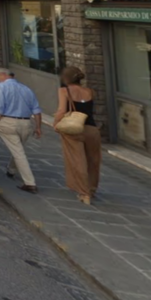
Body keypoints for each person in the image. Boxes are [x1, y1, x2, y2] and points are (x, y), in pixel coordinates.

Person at [54, 66, 101, 205]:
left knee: (77, 160)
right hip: (92, 129)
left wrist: (56, 123)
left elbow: (61, 110)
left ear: (65, 78)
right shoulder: (90, 91)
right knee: (93, 161)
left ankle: (84, 193)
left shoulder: (64, 91)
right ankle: (92, 189)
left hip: (73, 128)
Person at [0, 69, 43, 193]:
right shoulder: (27, 89)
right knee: (18, 149)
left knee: (18, 152)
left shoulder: (0, 86)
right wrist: (38, 127)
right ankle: (11, 170)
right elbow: (36, 110)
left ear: (3, 75)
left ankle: (30, 183)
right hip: (26, 123)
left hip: (8, 122)